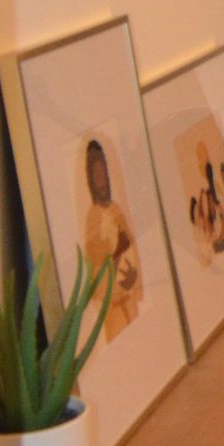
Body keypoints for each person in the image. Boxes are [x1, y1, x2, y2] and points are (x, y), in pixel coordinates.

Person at [81, 138, 142, 340]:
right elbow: (97, 275)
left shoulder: (116, 209)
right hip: (113, 311)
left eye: (103, 172)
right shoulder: (93, 218)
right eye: (96, 174)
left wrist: (134, 278)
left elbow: (132, 248)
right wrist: (117, 253)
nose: (102, 179)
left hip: (129, 301)